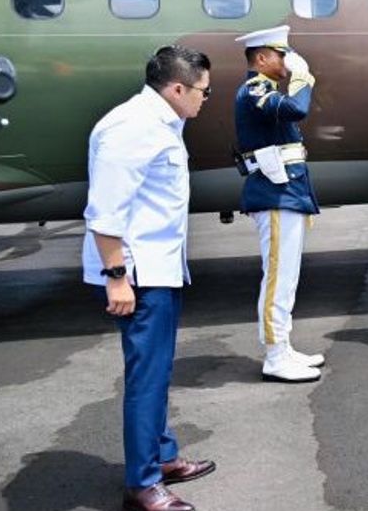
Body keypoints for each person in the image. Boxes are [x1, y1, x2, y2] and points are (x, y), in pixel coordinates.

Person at [83, 46, 215, 511]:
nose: (205, 99)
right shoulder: (133, 127)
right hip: (139, 275)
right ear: (177, 88)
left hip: (160, 269)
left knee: (157, 373)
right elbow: (105, 211)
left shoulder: (159, 122)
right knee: (147, 378)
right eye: (203, 91)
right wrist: (117, 276)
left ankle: (162, 456)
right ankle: (142, 485)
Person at [233, 25, 324, 383]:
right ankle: (274, 354)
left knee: (287, 277)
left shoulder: (266, 88)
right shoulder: (254, 89)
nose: (287, 60)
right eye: (281, 54)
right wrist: (303, 77)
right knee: (277, 277)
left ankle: (283, 347)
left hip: (288, 192)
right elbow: (296, 110)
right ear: (261, 58)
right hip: (274, 194)